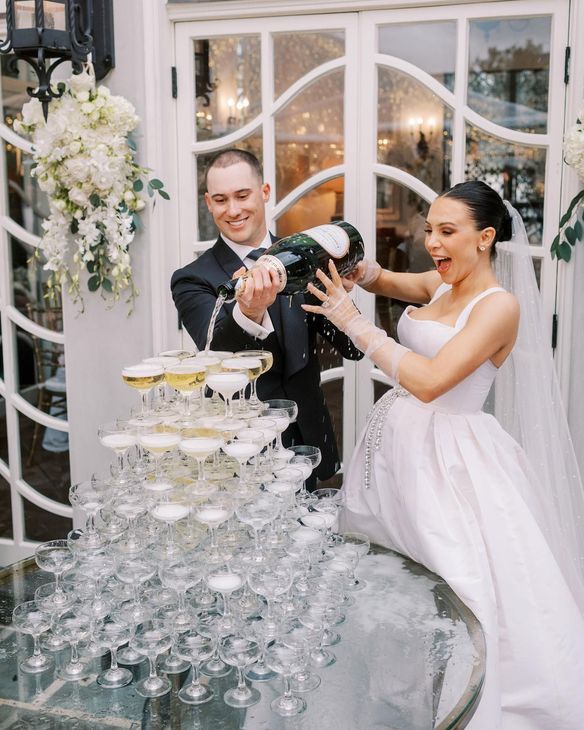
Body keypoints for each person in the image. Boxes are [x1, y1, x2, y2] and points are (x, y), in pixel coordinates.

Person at [302, 181, 584, 728]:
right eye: (429, 229)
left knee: (457, 582)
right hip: (395, 455)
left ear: (485, 238)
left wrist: (353, 322)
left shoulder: (498, 307)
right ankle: (406, 691)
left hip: (452, 467)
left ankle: (469, 698)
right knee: (396, 585)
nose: (433, 242)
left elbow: (431, 381)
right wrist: (360, 272)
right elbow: (387, 279)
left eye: (447, 232)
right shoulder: (442, 283)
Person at [171, 148, 363, 483]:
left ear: (264, 193)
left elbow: (354, 348)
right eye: (220, 199)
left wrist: (341, 298)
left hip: (307, 447)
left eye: (242, 195)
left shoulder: (304, 257)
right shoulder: (192, 278)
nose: (232, 210)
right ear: (208, 203)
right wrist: (249, 310)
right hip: (238, 456)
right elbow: (213, 346)